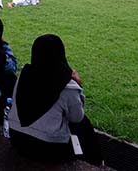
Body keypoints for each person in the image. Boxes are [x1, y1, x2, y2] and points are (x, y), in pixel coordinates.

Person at [8, 34, 102, 166]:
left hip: (17, 139)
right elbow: (77, 118)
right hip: (50, 150)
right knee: (83, 123)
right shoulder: (68, 87)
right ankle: (93, 159)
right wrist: (79, 85)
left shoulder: (24, 75)